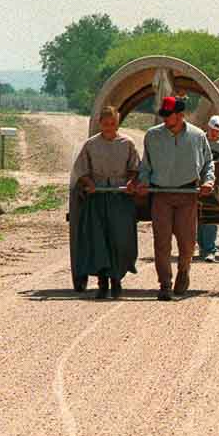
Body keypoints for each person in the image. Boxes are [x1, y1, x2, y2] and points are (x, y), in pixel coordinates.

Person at [128, 96, 215, 301]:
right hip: (161, 195)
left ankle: (183, 272)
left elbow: (208, 163)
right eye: (164, 115)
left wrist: (208, 181)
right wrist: (143, 182)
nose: (166, 119)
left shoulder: (197, 136)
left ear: (180, 115)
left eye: (169, 115)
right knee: (162, 242)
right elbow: (146, 166)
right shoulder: (152, 136)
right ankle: (165, 284)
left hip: (188, 194)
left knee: (187, 243)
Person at [69, 106, 139, 300]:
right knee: (98, 240)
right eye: (106, 124)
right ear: (100, 123)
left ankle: (117, 280)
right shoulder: (91, 145)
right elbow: (81, 170)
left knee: (120, 240)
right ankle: (102, 283)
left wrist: (131, 183)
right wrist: (89, 183)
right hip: (97, 198)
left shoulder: (127, 143)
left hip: (120, 199)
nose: (109, 127)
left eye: (113, 124)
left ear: (117, 124)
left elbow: (135, 168)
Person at [196, 115, 219, 263]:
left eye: (217, 131)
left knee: (211, 215)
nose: (214, 133)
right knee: (197, 216)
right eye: (212, 130)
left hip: (217, 184)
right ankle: (202, 247)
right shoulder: (200, 142)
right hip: (198, 181)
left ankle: (210, 250)